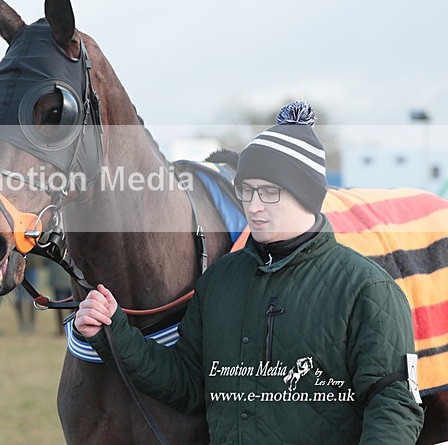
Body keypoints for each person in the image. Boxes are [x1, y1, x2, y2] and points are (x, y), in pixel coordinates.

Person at [74, 101, 424, 443]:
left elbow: (394, 406)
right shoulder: (219, 281)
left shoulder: (368, 290)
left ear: (306, 194)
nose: (253, 206)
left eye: (269, 192)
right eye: (246, 190)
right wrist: (112, 332)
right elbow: (189, 384)